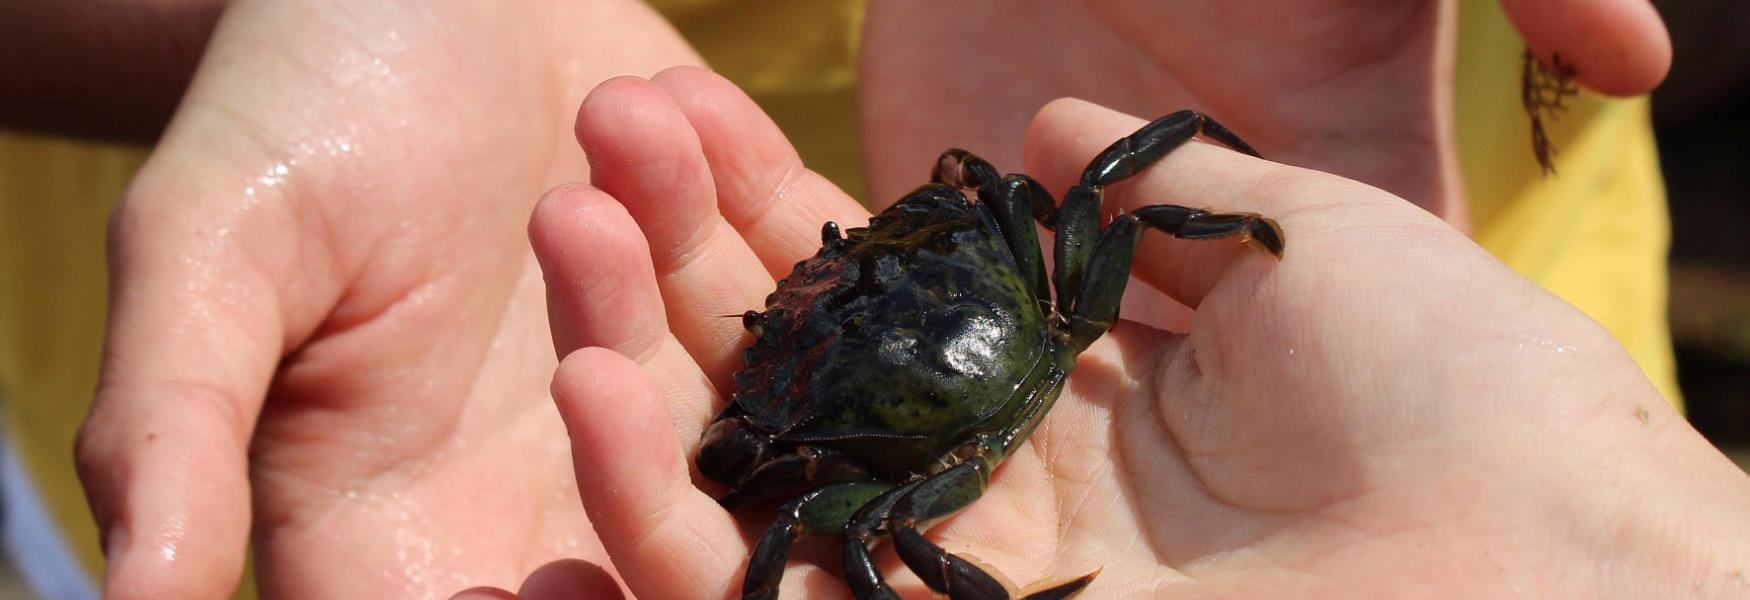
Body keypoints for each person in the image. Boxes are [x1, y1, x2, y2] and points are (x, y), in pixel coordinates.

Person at [0, 0, 1692, 597]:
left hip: (1454, 287)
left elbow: (1107, 168)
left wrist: (1272, 238)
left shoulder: (876, 327)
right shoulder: (1017, 294)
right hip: (462, 345)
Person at [468, 67, 1750, 599]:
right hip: (1019, 364)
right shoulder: (1030, 277)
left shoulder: (838, 339)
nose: (838, 266)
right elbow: (999, 193)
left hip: (969, 413)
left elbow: (773, 494)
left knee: (853, 526)